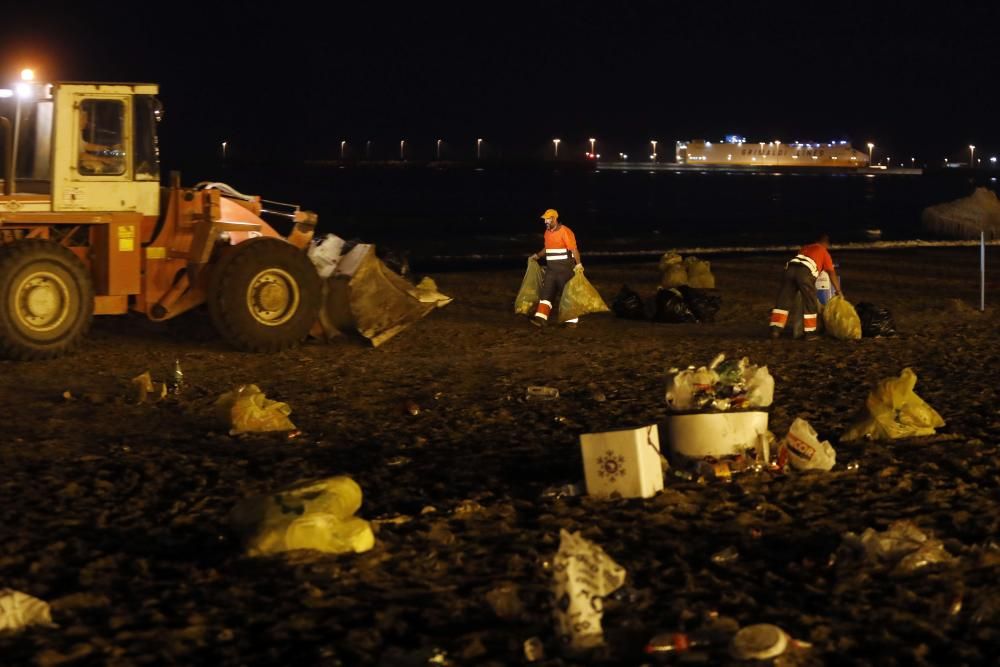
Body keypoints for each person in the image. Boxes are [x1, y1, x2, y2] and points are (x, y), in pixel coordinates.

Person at [769, 232, 843, 339]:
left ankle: (775, 330)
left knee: (784, 301)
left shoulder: (805, 248)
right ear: (826, 243)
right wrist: (838, 290)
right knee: (810, 302)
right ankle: (810, 333)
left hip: (789, 269)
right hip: (804, 273)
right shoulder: (824, 252)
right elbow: (831, 273)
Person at [529, 208, 584, 328]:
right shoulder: (547, 233)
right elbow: (547, 249)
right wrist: (537, 256)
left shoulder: (565, 231)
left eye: (547, 219)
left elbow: (573, 249)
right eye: (545, 219)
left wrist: (578, 264)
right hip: (551, 270)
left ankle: (571, 321)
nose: (545, 222)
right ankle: (541, 319)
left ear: (554, 219)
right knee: (546, 294)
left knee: (566, 295)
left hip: (565, 270)